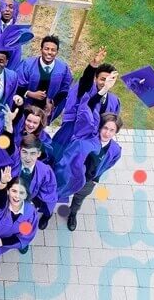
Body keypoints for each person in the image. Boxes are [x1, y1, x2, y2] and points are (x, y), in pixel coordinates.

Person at [54, 75, 123, 231]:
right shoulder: (84, 139)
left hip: (88, 180)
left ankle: (72, 214)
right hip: (70, 174)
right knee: (58, 193)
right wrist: (103, 90)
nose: (107, 133)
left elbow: (108, 164)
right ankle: (46, 215)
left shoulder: (115, 150)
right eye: (105, 128)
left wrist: (96, 178)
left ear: (116, 132)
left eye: (112, 130)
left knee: (79, 199)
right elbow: (87, 108)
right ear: (99, 127)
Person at [52, 47, 121, 158]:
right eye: (103, 79)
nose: (105, 83)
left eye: (110, 80)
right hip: (73, 132)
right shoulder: (86, 90)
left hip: (94, 139)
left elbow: (113, 121)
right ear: (96, 78)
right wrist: (94, 64)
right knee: (58, 158)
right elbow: (85, 81)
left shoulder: (114, 101)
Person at [16, 35, 73, 123]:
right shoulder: (27, 65)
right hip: (26, 106)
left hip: (46, 111)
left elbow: (65, 89)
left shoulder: (63, 68)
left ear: (57, 52)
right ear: (41, 49)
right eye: (46, 49)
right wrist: (31, 94)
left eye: (53, 50)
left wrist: (52, 103)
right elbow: (17, 84)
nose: (49, 52)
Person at [12, 134, 57, 235]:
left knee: (26, 223)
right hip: (10, 200)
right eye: (24, 152)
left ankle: (21, 239)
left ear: (39, 154)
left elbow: (48, 191)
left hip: (30, 201)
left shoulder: (45, 171)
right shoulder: (11, 165)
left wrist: (35, 203)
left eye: (32, 153)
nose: (28, 158)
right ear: (19, 150)